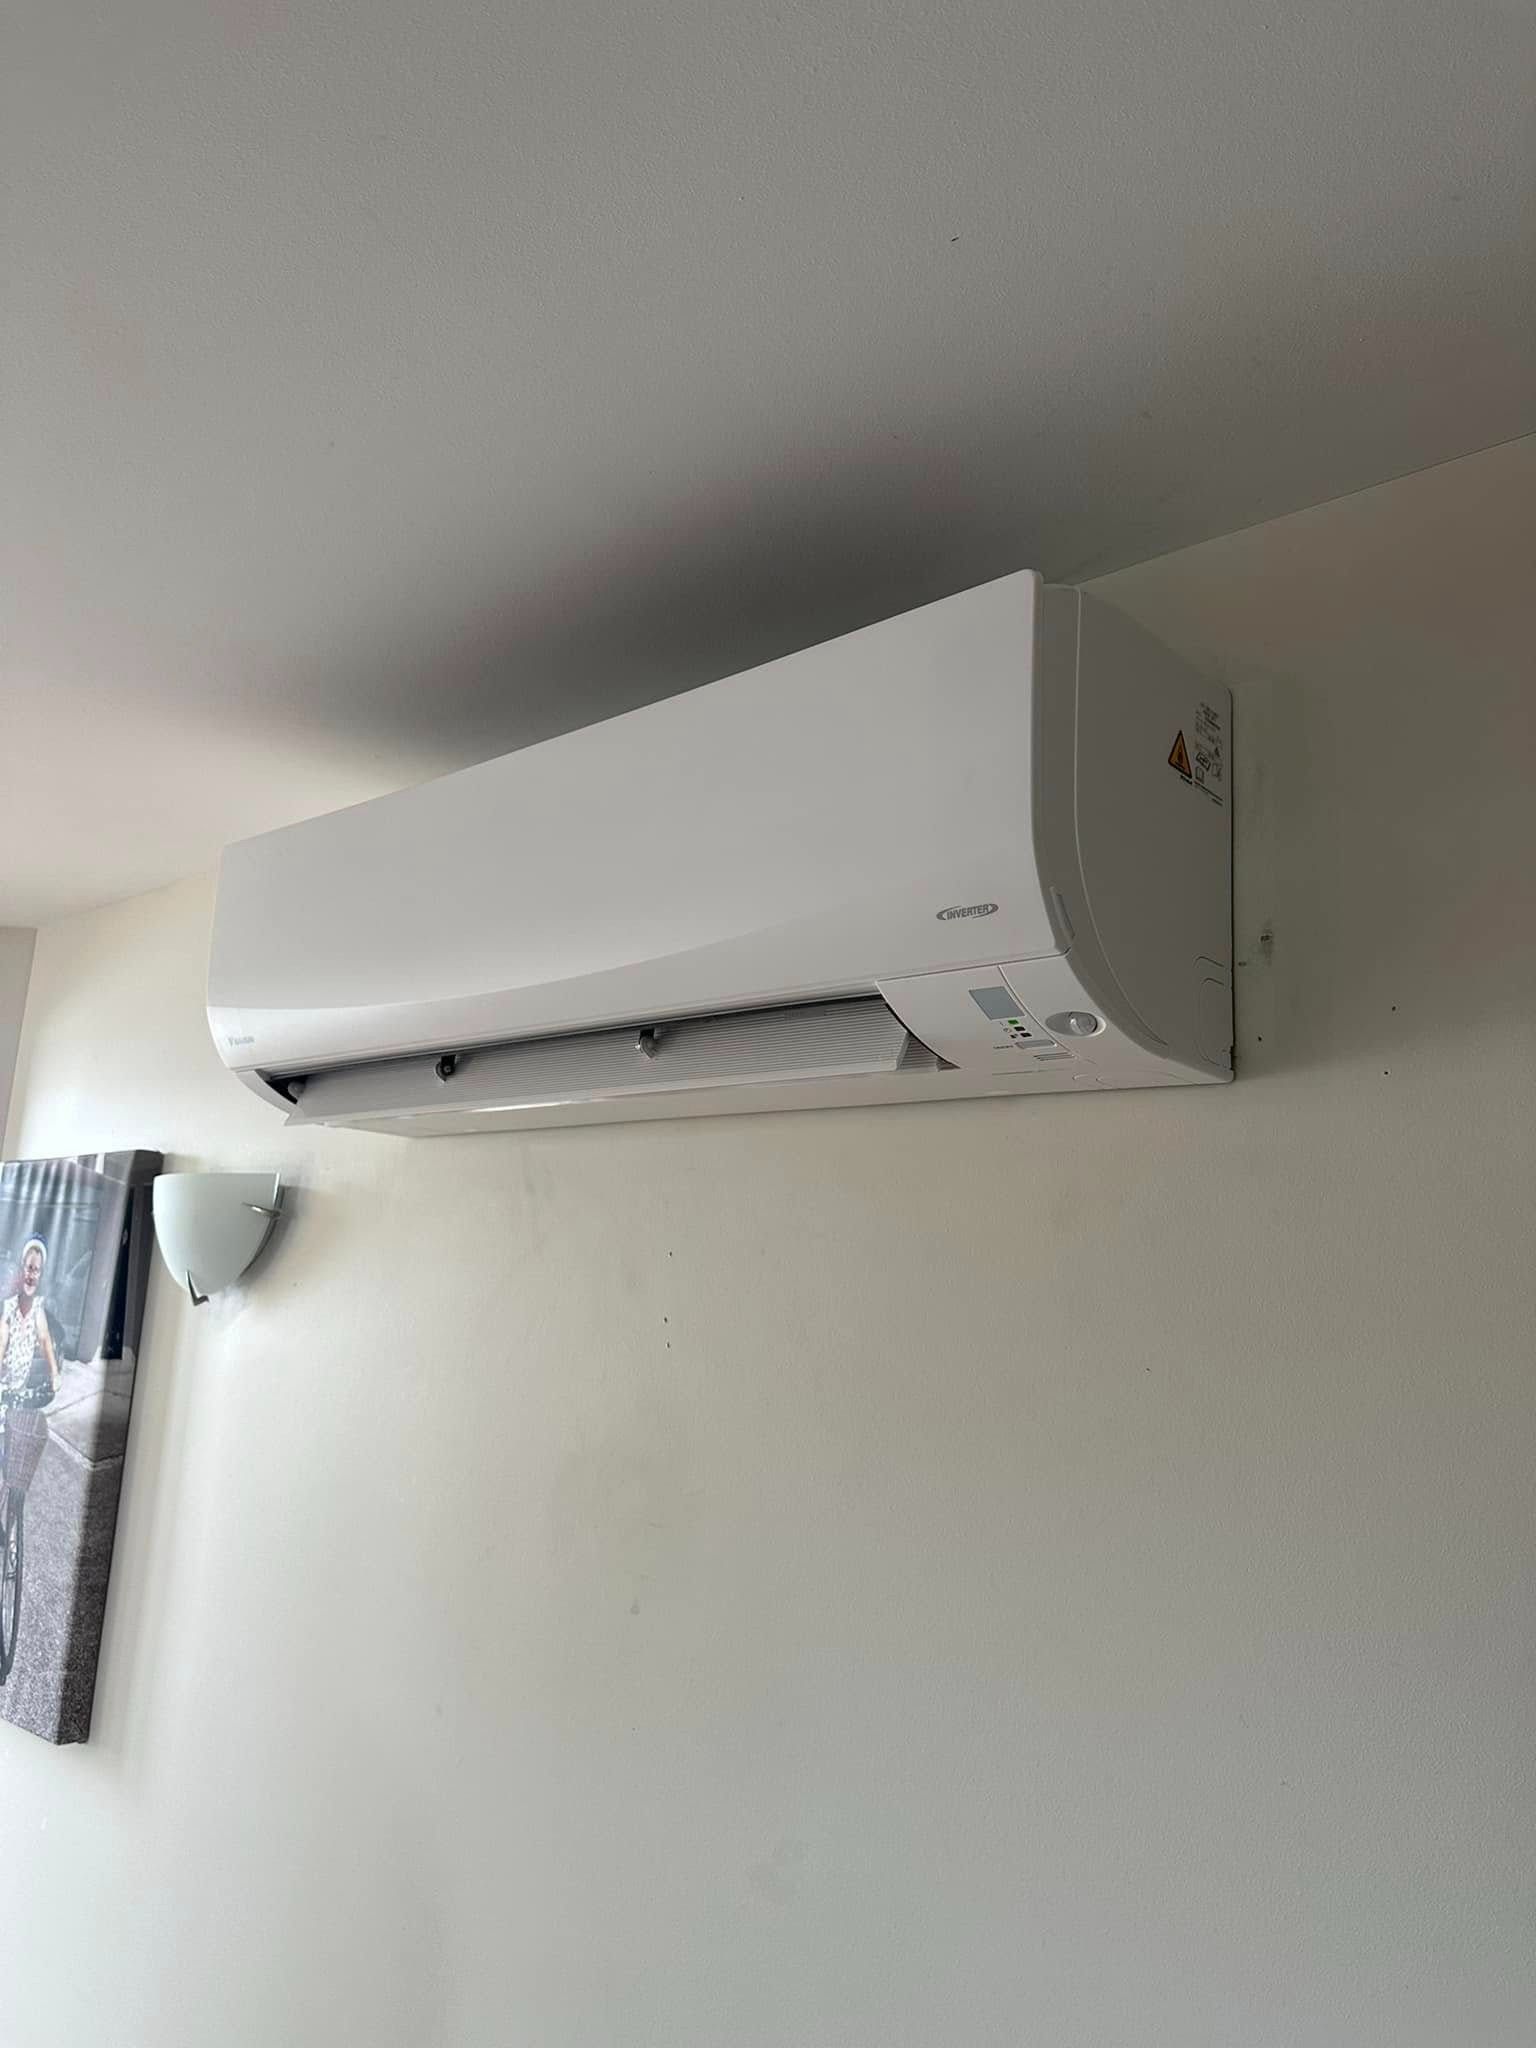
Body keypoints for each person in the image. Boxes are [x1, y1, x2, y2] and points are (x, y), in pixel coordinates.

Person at [0, 1239, 60, 1523]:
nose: (31, 1274)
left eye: (36, 1270)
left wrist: (54, 1373)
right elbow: (2, 1339)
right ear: (21, 1269)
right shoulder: (9, 1307)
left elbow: (45, 1341)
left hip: (18, 1397)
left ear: (41, 1274)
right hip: (1, 1391)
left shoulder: (38, 1310)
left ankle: (9, 1517)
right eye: (28, 1268)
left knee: (13, 1463)